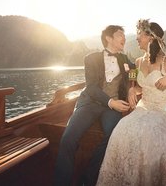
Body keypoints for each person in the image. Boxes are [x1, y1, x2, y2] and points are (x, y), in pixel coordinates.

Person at [96, 19, 166, 186]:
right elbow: (135, 84)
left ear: (150, 37)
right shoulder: (137, 62)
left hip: (165, 111)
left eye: (139, 34)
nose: (136, 38)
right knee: (121, 128)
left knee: (148, 132)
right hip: (144, 107)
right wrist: (131, 90)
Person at [53, 25, 135, 186]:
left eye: (124, 35)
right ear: (108, 38)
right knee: (68, 138)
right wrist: (111, 103)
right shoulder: (91, 58)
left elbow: (134, 70)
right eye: (120, 35)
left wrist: (132, 86)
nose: (124, 38)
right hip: (90, 103)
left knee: (113, 137)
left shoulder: (125, 59)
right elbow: (91, 87)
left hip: (113, 106)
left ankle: (88, 179)